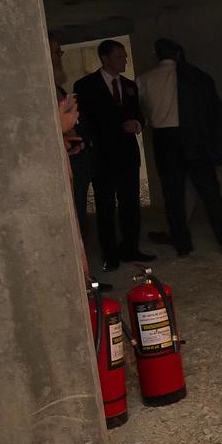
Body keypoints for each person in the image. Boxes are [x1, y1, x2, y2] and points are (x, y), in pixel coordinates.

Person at [138, 38, 222, 257]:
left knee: (173, 195)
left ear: (157, 54)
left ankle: (182, 245)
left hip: (164, 138)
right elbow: (213, 112)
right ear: (177, 54)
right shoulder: (197, 77)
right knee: (210, 193)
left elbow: (143, 113)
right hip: (194, 137)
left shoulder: (145, 79)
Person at [71, 40, 155, 271]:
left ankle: (131, 247)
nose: (125, 61)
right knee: (105, 205)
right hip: (102, 155)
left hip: (127, 153)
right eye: (119, 57)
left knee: (130, 202)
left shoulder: (129, 85)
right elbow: (85, 120)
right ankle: (110, 253)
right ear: (105, 59)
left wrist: (137, 124)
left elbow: (139, 113)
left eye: (125, 57)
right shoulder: (86, 85)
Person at [51, 33, 93, 236]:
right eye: (56, 52)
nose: (60, 56)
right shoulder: (42, 90)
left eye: (60, 51)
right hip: (64, 165)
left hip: (76, 158)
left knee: (79, 215)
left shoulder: (56, 87)